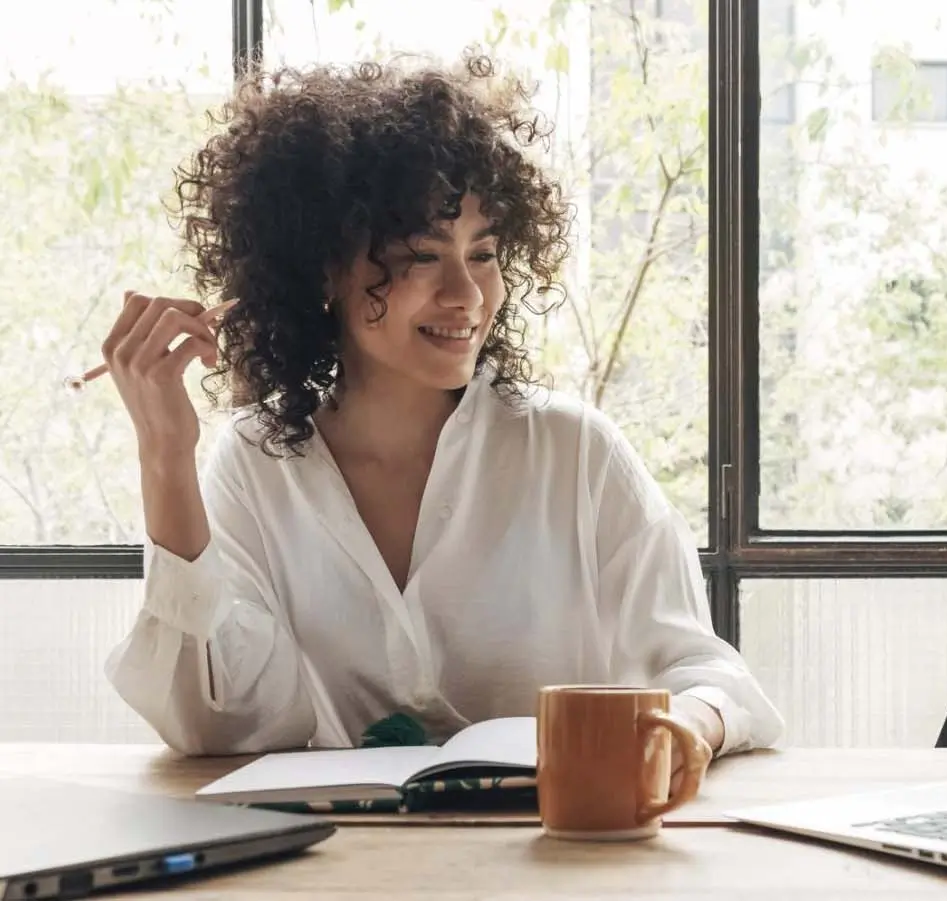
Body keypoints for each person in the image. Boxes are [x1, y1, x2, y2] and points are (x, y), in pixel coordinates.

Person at [102, 54, 784, 760]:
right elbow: (215, 725)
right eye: (421, 257)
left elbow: (707, 674)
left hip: (559, 858)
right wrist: (164, 454)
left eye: (482, 255)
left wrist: (687, 731)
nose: (466, 295)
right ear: (324, 269)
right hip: (341, 864)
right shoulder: (255, 462)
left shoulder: (573, 452)